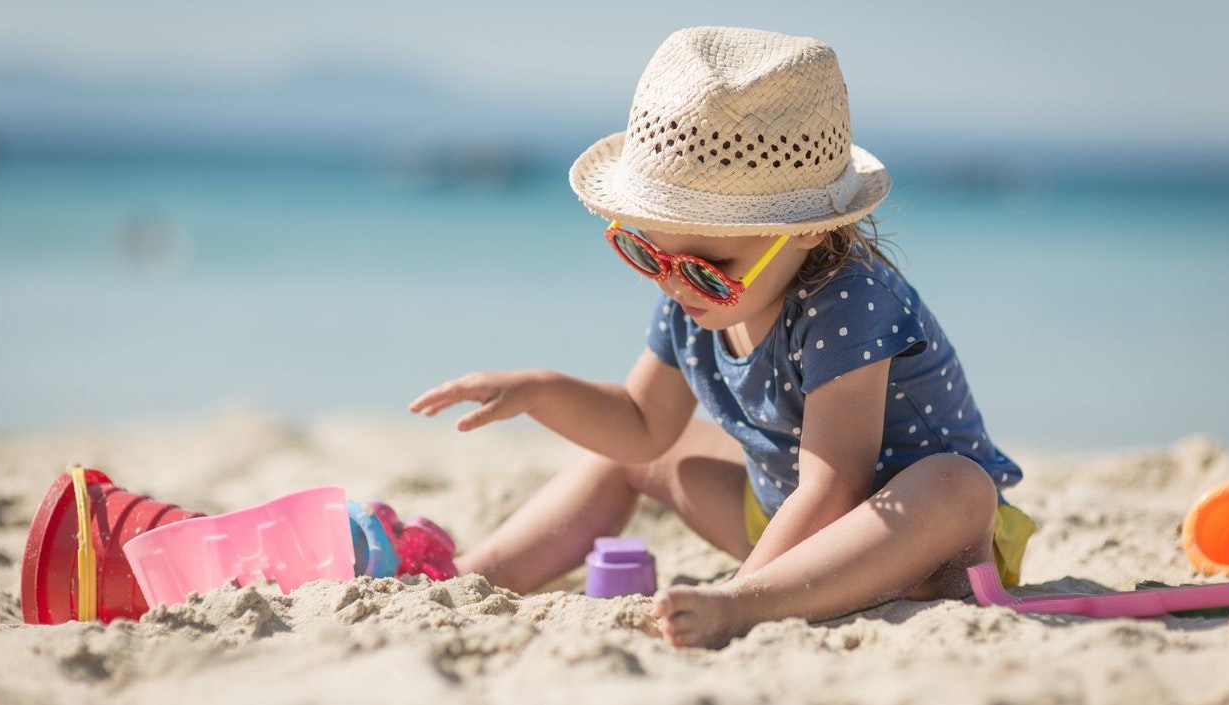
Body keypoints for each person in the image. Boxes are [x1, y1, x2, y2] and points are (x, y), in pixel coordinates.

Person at [409, 26, 1036, 648]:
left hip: (911, 539)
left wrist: (740, 594)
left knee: (955, 485)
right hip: (783, 524)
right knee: (632, 456)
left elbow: (836, 484)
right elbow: (638, 424)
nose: (676, 285)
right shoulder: (687, 295)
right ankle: (470, 574)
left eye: (708, 268)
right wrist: (542, 391)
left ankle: (750, 603)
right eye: (648, 252)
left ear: (808, 230)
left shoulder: (850, 303)